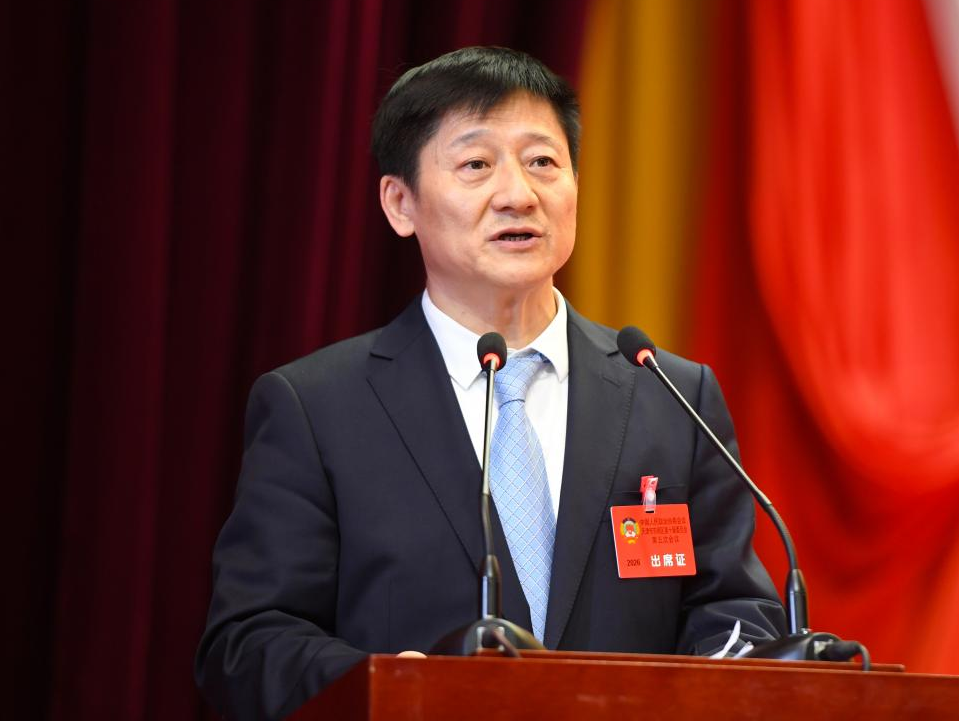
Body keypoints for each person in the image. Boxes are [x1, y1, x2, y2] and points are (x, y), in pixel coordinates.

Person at [195, 46, 784, 721]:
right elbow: (248, 643)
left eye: (543, 162)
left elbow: (733, 608)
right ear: (400, 203)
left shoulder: (670, 394)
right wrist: (389, 684)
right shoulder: (317, 408)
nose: (518, 194)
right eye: (476, 165)